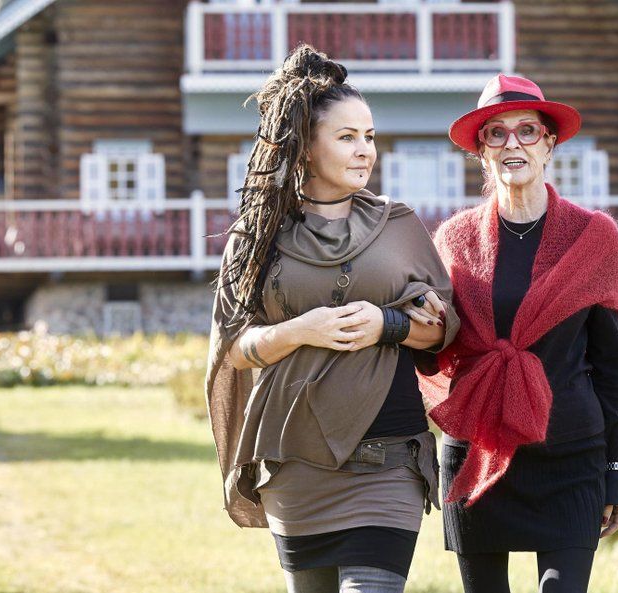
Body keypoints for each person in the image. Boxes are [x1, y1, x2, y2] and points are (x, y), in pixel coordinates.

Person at [205, 45, 460, 593]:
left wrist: (387, 325)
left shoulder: (399, 225)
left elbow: (444, 330)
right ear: (305, 145)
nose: (365, 149)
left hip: (389, 461)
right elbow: (234, 347)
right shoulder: (257, 238)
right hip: (296, 462)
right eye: (347, 137)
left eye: (369, 135)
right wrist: (302, 329)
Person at [417, 73, 618, 593]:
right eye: (497, 133)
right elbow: (436, 349)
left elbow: (611, 367)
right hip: (478, 452)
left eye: (527, 130)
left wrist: (616, 469)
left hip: (570, 456)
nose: (512, 143)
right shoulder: (454, 240)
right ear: (482, 152)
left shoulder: (592, 237)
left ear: (548, 144)